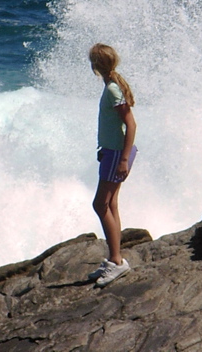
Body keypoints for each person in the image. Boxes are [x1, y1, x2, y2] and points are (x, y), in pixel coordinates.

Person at [87, 43, 138, 287]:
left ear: (95, 66)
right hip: (112, 152)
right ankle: (114, 259)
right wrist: (104, 150)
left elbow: (131, 124)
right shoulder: (112, 86)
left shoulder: (113, 90)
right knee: (111, 203)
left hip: (118, 154)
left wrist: (123, 159)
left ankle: (117, 261)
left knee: (100, 204)